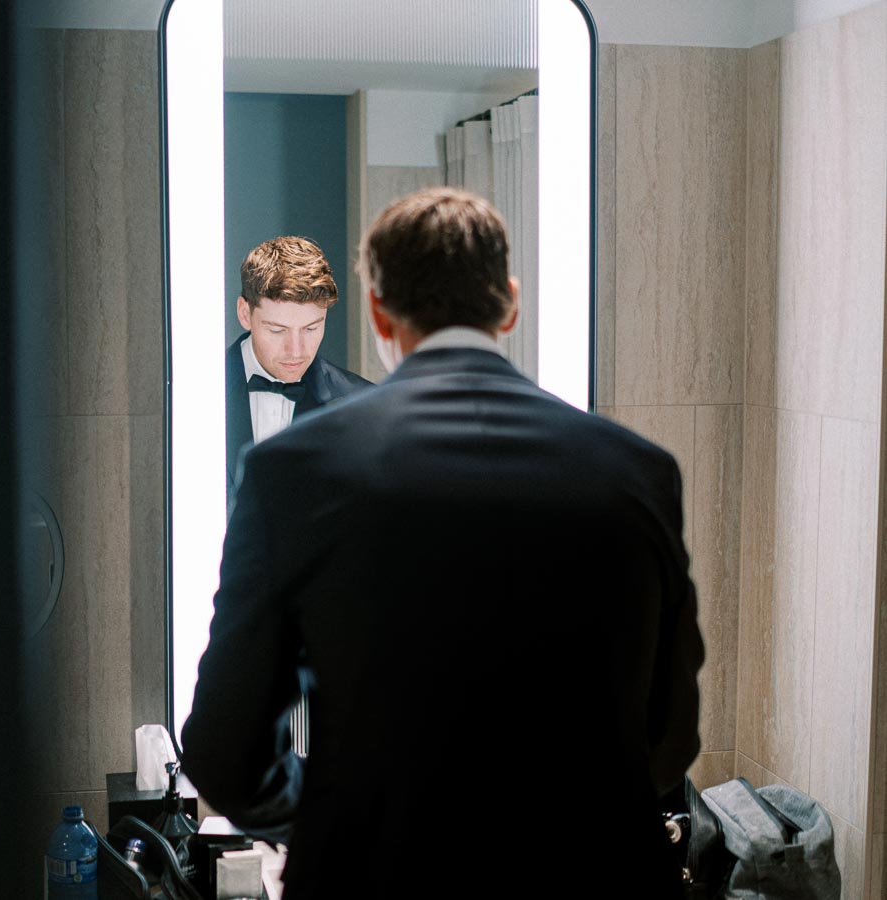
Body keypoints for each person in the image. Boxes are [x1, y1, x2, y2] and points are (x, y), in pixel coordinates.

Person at [182, 188, 704, 898]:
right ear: (511, 303)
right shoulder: (639, 470)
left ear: (375, 314)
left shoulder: (291, 473)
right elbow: (671, 736)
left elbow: (223, 750)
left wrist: (339, 808)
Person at [225, 236, 371, 493]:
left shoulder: (364, 404)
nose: (297, 350)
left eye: (311, 328)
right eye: (278, 330)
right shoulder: (191, 395)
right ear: (245, 313)